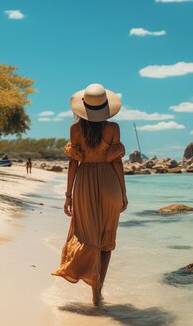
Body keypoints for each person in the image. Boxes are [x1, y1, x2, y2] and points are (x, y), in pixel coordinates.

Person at [52, 83, 128, 306]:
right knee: (106, 240)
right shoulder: (113, 128)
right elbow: (117, 163)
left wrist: (68, 195)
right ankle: (98, 291)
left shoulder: (75, 130)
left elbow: (73, 164)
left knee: (87, 238)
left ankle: (92, 284)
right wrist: (123, 192)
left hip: (84, 184)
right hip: (110, 185)